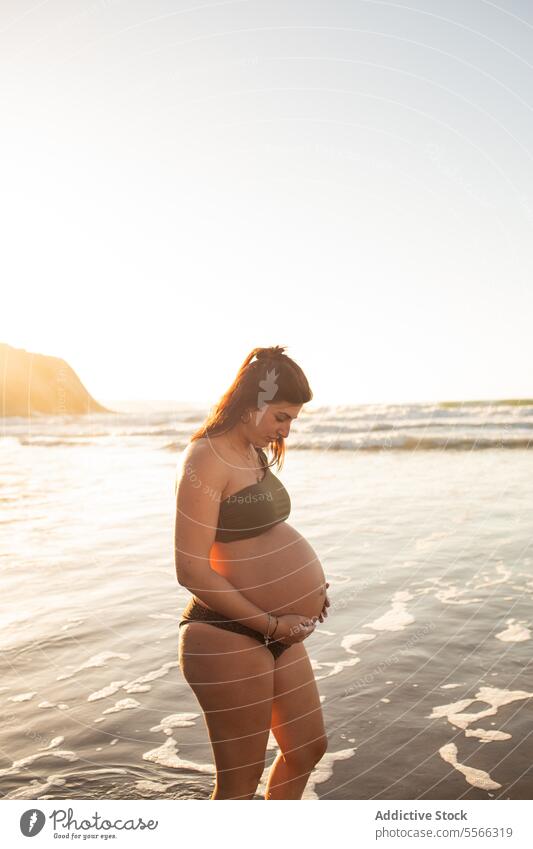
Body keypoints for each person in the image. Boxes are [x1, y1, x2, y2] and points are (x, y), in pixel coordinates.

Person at [174, 345, 330, 800]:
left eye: (292, 420)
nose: (286, 429)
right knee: (238, 788)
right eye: (282, 417)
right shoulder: (205, 458)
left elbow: (260, 544)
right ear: (252, 403)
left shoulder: (253, 453)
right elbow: (190, 569)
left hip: (277, 631)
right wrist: (271, 621)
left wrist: (308, 589)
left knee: (306, 749)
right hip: (228, 633)